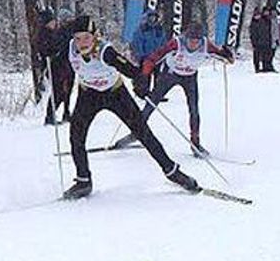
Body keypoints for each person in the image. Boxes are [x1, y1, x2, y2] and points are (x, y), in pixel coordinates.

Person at [61, 15, 199, 200]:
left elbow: (131, 70)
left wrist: (141, 83)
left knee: (143, 132)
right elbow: (52, 46)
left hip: (115, 93)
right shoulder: (70, 48)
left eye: (86, 37)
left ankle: (172, 172)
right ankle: (83, 181)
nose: (82, 43)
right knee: (76, 135)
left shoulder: (105, 52)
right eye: (77, 39)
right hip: (88, 94)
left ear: (95, 36)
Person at [114, 21, 235, 155]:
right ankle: (136, 133)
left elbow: (226, 59)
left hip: (190, 77)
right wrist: (143, 76)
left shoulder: (206, 45)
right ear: (186, 37)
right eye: (191, 40)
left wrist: (228, 55)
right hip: (170, 75)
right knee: (151, 103)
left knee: (194, 110)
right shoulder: (176, 43)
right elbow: (153, 58)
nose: (193, 44)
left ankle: (195, 144)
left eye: (197, 41)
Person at [33, 9, 74, 124]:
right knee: (58, 92)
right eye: (52, 21)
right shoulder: (44, 34)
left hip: (63, 65)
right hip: (54, 67)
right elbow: (47, 50)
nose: (54, 23)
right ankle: (50, 116)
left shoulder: (54, 32)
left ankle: (65, 112)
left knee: (65, 91)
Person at [249, 8, 275, 72]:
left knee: (265, 56)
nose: (257, 17)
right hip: (257, 42)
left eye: (258, 15)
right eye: (256, 15)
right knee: (256, 56)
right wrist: (254, 42)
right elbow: (252, 33)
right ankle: (257, 68)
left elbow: (267, 31)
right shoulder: (253, 23)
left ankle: (265, 67)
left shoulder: (264, 21)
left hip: (265, 41)